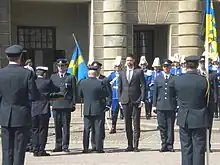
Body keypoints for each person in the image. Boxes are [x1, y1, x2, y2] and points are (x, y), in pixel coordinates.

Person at [0, 44, 40, 165]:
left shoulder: (1, 73)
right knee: (19, 148)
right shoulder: (27, 73)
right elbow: (34, 95)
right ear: (21, 56)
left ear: (7, 57)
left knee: (6, 149)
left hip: (5, 114)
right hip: (22, 114)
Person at [174, 55, 209, 165]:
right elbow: (208, 101)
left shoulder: (178, 80)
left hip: (184, 117)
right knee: (199, 149)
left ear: (185, 65)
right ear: (197, 64)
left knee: (185, 148)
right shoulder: (204, 81)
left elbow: (175, 97)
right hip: (199, 118)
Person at [118, 54, 146, 152]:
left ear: (134, 61)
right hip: (125, 100)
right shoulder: (122, 73)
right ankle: (129, 144)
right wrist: (120, 100)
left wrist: (142, 99)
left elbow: (143, 86)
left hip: (136, 100)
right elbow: (120, 87)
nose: (129, 62)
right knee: (127, 123)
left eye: (130, 60)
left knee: (136, 123)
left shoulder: (139, 72)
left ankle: (135, 145)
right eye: (127, 60)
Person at [79, 66, 109, 153]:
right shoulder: (100, 83)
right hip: (98, 108)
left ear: (88, 74)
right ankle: (99, 148)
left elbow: (80, 94)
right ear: (96, 74)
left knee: (86, 129)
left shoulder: (82, 82)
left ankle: (85, 148)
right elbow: (105, 94)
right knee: (98, 128)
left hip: (87, 108)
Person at [31, 66, 59, 157]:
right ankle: (41, 149)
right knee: (43, 130)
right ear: (44, 73)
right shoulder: (47, 82)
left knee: (34, 130)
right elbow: (56, 89)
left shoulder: (33, 82)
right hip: (44, 108)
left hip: (33, 109)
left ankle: (35, 149)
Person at [50, 59, 77, 152]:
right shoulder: (53, 77)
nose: (61, 68)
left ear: (66, 67)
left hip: (66, 105)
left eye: (63, 66)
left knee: (66, 126)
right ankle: (58, 145)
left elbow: (74, 91)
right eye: (59, 66)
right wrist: (51, 103)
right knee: (57, 126)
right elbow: (51, 91)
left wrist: (73, 103)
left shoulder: (71, 77)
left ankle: (65, 145)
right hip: (56, 104)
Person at [152, 59, 177, 152]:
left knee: (170, 126)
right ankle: (163, 144)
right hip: (160, 105)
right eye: (165, 67)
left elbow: (176, 93)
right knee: (162, 126)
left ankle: (170, 145)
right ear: (163, 68)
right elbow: (155, 93)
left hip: (171, 105)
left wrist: (177, 105)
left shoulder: (174, 78)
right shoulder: (158, 78)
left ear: (170, 67)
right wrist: (154, 105)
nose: (166, 68)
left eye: (168, 67)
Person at [108, 56, 123, 134]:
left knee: (125, 113)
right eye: (116, 66)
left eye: (118, 66)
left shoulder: (123, 74)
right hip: (114, 95)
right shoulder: (112, 75)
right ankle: (113, 126)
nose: (117, 68)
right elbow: (107, 83)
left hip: (122, 96)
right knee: (114, 112)